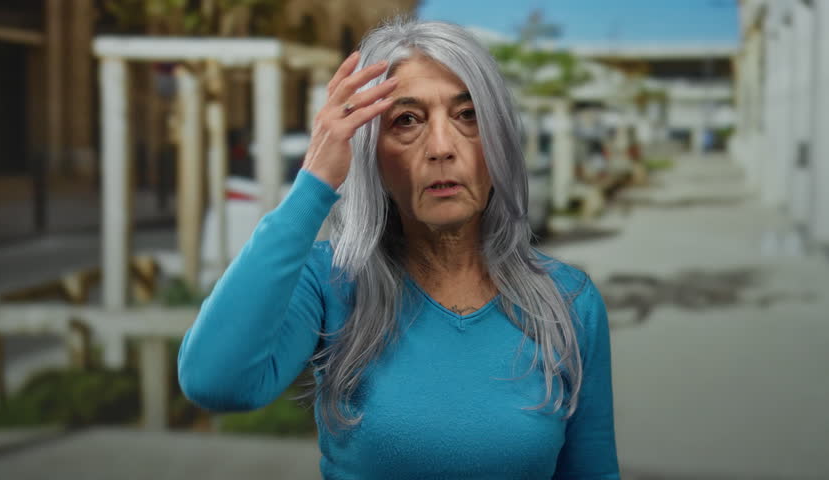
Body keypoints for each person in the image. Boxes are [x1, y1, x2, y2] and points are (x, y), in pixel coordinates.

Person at [177, 17, 620, 479]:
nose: (442, 147)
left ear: (501, 140)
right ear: (371, 153)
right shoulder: (332, 283)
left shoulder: (567, 302)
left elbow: (594, 472)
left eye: (468, 115)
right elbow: (214, 381)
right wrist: (314, 182)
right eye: (406, 120)